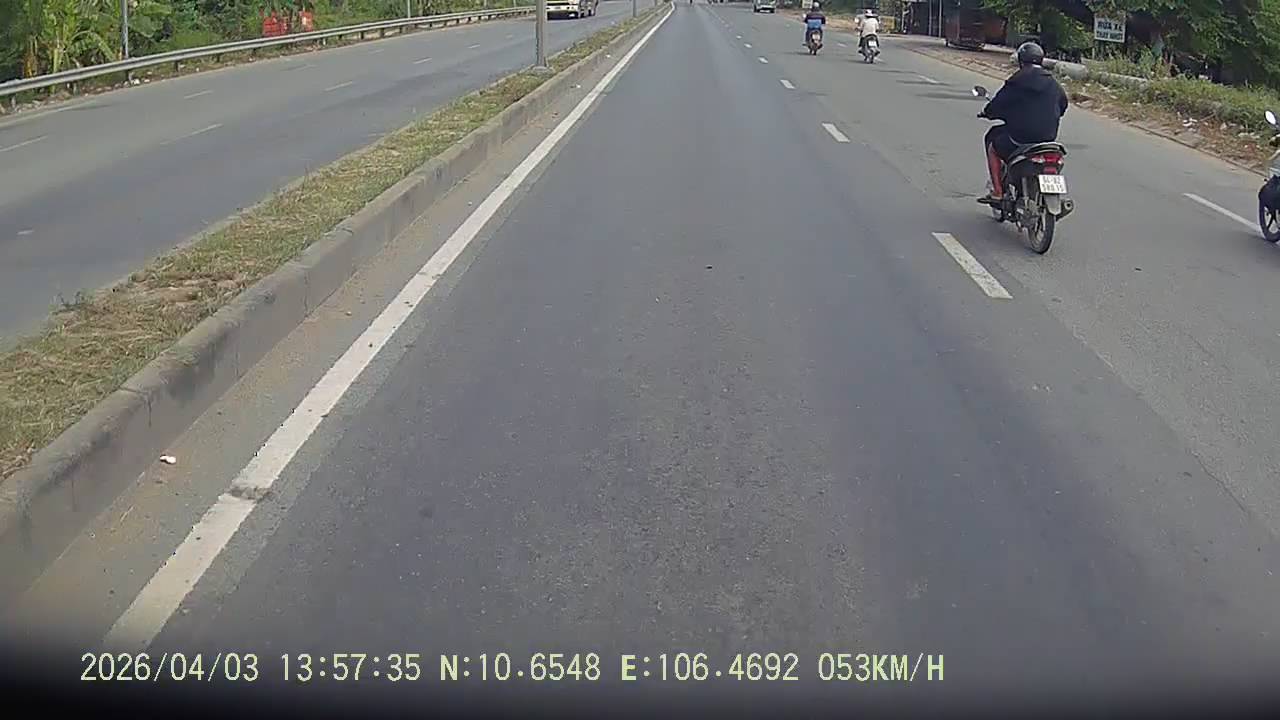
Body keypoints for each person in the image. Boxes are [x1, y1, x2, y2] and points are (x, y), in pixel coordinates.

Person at [977, 41, 1069, 204]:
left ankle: (997, 191)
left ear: (1021, 60)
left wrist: (987, 112)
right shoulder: (1053, 83)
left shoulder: (1017, 81)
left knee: (993, 143)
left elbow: (998, 103)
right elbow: (1063, 104)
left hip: (1020, 139)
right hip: (1047, 139)